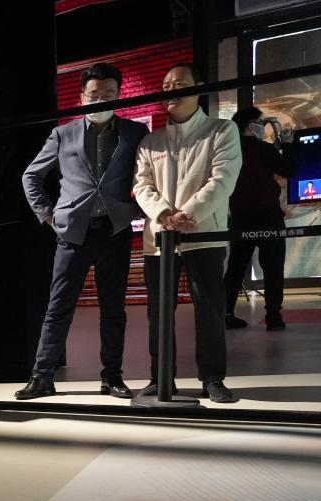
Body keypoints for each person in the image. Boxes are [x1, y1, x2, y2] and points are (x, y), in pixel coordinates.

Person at [18, 62, 149, 400]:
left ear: (118, 95)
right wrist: (48, 215)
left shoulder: (135, 133)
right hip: (72, 234)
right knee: (58, 307)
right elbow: (31, 176)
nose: (101, 100)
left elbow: (149, 176)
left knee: (113, 309)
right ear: (81, 96)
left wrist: (136, 209)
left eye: (108, 94)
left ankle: (112, 377)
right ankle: (41, 377)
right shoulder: (62, 134)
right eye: (94, 95)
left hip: (115, 232)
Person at [133, 63, 242, 403]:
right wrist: (164, 214)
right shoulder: (150, 141)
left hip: (204, 234)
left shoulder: (221, 130)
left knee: (209, 308)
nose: (171, 91)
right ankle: (160, 378)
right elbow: (142, 185)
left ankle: (213, 378)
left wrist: (188, 214)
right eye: (166, 86)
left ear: (199, 88)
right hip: (159, 239)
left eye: (179, 84)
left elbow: (223, 179)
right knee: (158, 312)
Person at [223, 107, 295, 331]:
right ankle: (273, 317)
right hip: (268, 215)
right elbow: (288, 169)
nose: (262, 127)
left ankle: (226, 313)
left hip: (239, 216)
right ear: (250, 125)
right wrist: (287, 144)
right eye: (260, 123)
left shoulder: (228, 151)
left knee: (236, 266)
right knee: (273, 267)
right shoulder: (262, 148)